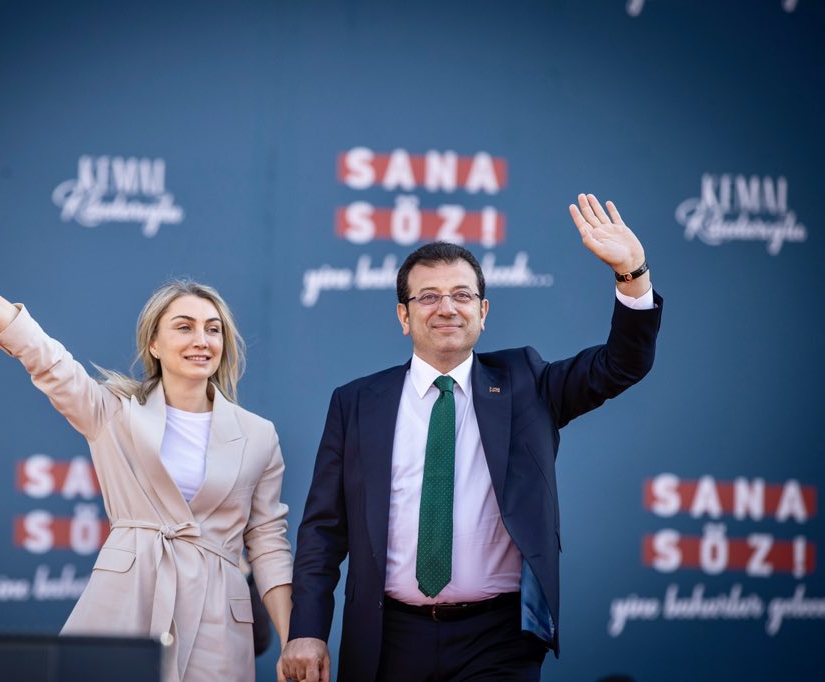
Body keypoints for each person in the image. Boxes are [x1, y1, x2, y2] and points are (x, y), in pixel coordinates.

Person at [281, 194, 663, 681]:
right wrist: (307, 630)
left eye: (461, 295)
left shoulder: (528, 382)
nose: (447, 308)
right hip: (387, 636)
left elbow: (622, 363)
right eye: (428, 297)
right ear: (403, 317)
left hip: (499, 639)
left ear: (483, 312)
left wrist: (632, 274)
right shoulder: (356, 402)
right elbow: (323, 531)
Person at [0, 221, 293, 682]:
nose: (201, 340)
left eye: (213, 329)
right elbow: (44, 357)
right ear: (154, 343)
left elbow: (268, 543)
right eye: (184, 327)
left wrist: (292, 641)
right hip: (125, 598)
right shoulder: (113, 413)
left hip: (217, 618)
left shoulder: (258, 435)